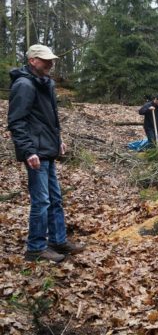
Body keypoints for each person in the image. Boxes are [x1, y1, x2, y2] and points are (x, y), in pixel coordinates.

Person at [7, 44, 85, 262]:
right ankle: (35, 248)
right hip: (35, 153)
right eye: (45, 60)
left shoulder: (45, 84)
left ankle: (58, 240)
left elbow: (49, 119)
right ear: (33, 60)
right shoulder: (24, 85)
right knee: (41, 201)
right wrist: (28, 151)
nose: (51, 63)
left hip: (48, 149)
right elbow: (16, 122)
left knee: (55, 199)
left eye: (51, 60)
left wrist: (57, 140)